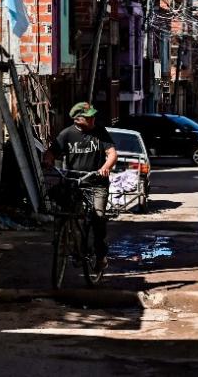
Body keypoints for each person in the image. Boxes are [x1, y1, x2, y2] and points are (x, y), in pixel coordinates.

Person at [44, 102, 118, 270]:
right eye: (88, 117)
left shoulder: (100, 132)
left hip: (96, 184)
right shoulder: (67, 134)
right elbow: (51, 152)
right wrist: (48, 160)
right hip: (73, 183)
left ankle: (100, 255)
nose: (93, 119)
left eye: (93, 116)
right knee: (66, 214)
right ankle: (71, 248)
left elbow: (112, 153)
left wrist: (106, 167)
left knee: (98, 218)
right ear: (77, 119)